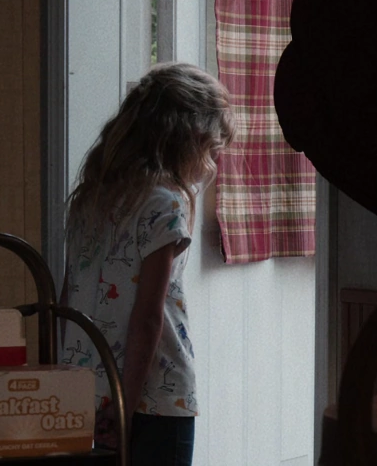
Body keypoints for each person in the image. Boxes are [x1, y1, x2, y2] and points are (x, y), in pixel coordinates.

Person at [60, 62, 235, 466]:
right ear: (190, 140)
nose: (211, 163)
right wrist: (125, 406)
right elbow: (148, 319)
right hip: (153, 397)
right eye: (212, 150)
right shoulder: (163, 204)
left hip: (90, 388)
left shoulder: (91, 199)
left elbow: (68, 297)